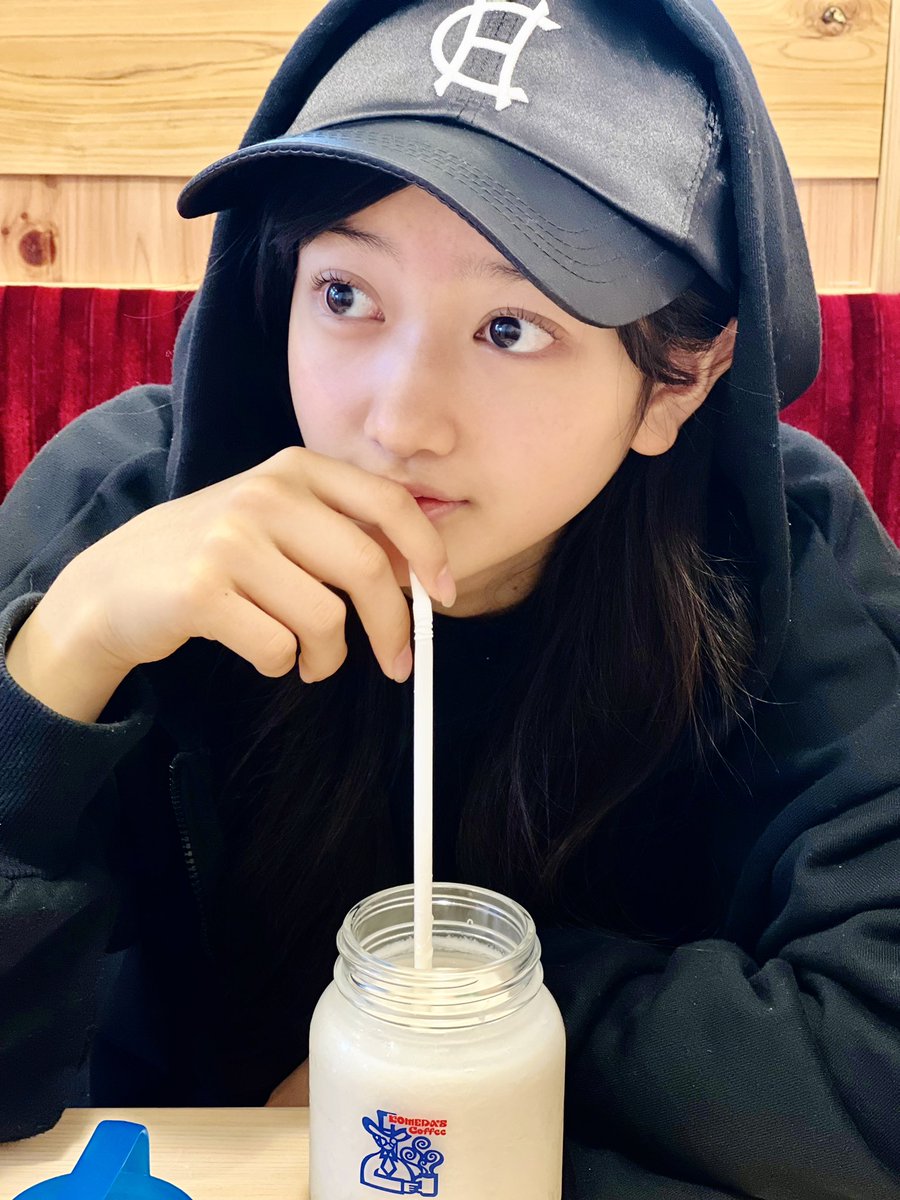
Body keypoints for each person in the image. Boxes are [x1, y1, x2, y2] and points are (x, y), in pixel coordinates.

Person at [1, 0, 898, 1194]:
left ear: (680, 378)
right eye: (344, 294)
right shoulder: (122, 508)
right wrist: (60, 661)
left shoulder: (780, 554)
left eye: (509, 326)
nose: (398, 419)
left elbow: (876, 1065)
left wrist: (488, 1021)